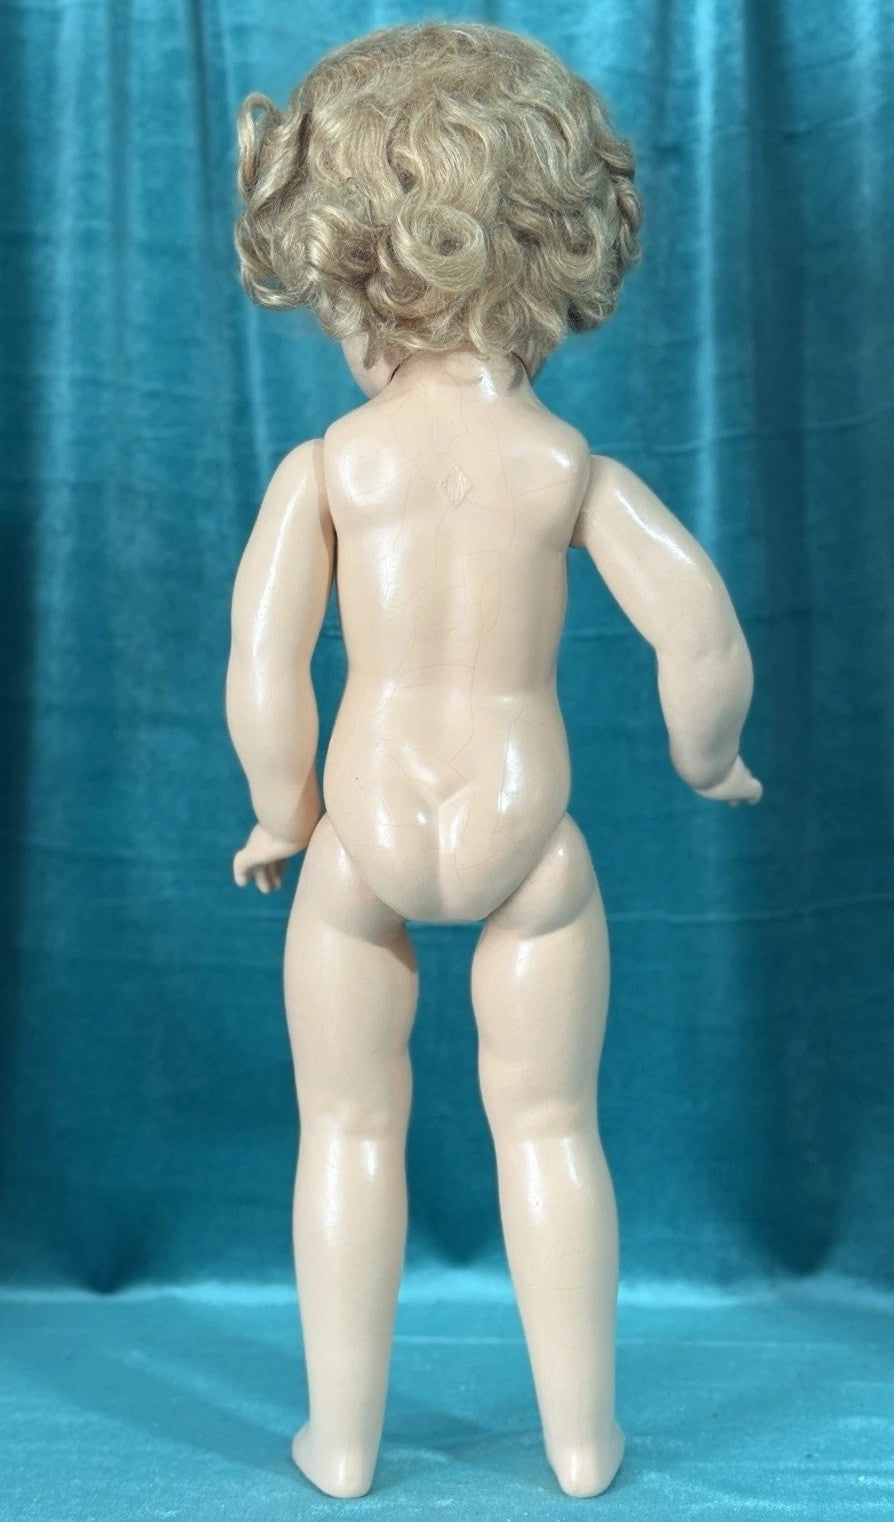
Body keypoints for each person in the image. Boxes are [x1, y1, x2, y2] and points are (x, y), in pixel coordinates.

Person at [225, 21, 761, 1500]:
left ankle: (341, 1443)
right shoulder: (568, 472)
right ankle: (582, 1442)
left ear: (346, 269)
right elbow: (701, 632)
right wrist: (708, 759)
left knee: (346, 1127)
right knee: (551, 1128)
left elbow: (264, 667)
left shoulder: (330, 470)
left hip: (363, 837)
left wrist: (280, 812)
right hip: (535, 841)